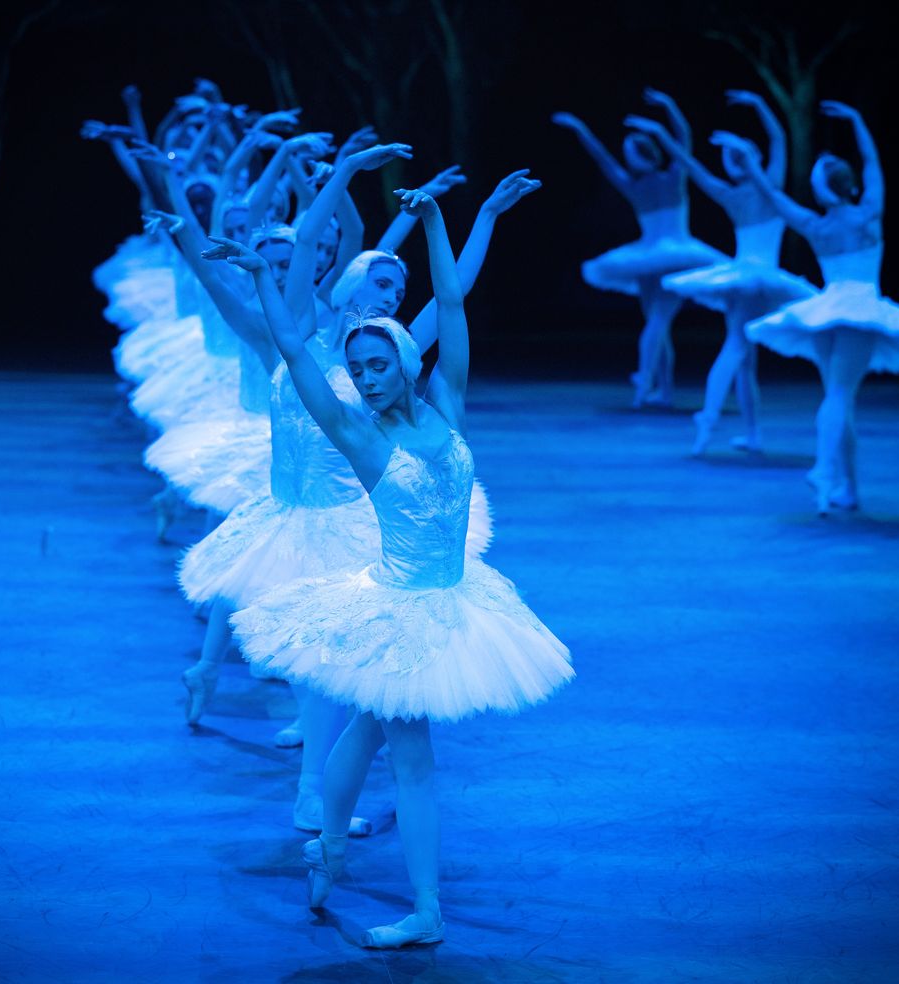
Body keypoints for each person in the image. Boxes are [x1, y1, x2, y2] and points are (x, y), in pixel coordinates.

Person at [206, 186, 572, 949]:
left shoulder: (450, 400)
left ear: (405, 362)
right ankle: (427, 910)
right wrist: (269, 282)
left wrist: (445, 219)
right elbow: (299, 355)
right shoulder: (361, 438)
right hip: (402, 604)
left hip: (457, 596)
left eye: (377, 364)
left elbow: (448, 296)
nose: (366, 376)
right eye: (359, 367)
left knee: (370, 729)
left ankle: (330, 850)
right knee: (412, 754)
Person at [734, 101, 899, 514]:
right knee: (840, 396)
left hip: (829, 310)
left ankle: (845, 486)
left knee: (836, 396)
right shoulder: (870, 214)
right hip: (861, 307)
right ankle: (825, 472)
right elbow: (871, 160)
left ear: (821, 190)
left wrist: (752, 166)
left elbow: (772, 196)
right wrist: (859, 120)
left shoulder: (817, 225)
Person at [626, 90, 816, 454]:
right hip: (757, 277)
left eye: (732, 156)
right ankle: (730, 428)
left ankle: (716, 426)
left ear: (741, 161)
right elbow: (776, 139)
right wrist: (758, 104)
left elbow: (690, 161)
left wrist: (662, 133)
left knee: (738, 352)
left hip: (745, 278)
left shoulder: (745, 190)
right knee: (742, 357)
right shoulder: (764, 186)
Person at [554, 90, 725, 407]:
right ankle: (665, 390)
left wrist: (670, 107)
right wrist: (669, 107)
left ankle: (643, 383)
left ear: (645, 154)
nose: (625, 157)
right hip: (662, 254)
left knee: (657, 321)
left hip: (667, 256)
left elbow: (681, 140)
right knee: (657, 323)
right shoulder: (655, 181)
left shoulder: (665, 178)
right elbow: (605, 158)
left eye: (630, 152)